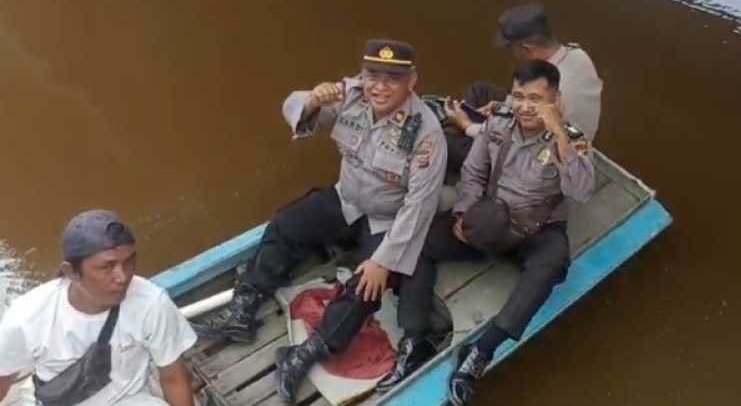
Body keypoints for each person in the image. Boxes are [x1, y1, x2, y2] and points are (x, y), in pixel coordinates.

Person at [193, 39, 447, 400]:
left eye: (392, 78)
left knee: (366, 287)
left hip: (387, 220)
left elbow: (418, 209)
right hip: (348, 200)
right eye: (373, 75)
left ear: (412, 81)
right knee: (286, 223)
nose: (379, 86)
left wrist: (382, 261)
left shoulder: (426, 134)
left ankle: (307, 353)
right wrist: (313, 99)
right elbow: (297, 112)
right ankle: (243, 308)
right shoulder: (352, 96)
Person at [377, 60, 596, 404]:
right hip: (488, 220)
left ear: (555, 101)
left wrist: (558, 137)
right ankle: (415, 337)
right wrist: (465, 215)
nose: (525, 106)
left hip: (536, 230)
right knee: (419, 240)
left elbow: (582, 191)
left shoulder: (572, 139)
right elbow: (474, 172)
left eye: (537, 99)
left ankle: (480, 352)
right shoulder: (499, 122)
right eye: (519, 96)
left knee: (553, 264)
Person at [0, 210, 197, 406]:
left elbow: (173, 377)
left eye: (129, 261)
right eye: (107, 267)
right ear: (72, 272)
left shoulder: (151, 303)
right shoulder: (27, 317)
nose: (123, 277)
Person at [446, 3, 604, 162]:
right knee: (481, 90)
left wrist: (467, 126)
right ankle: (459, 127)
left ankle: (455, 131)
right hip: (554, 129)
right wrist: (504, 107)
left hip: (541, 159)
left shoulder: (552, 94)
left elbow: (513, 141)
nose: (512, 54)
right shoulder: (578, 54)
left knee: (450, 144)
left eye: (511, 49)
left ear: (526, 49)